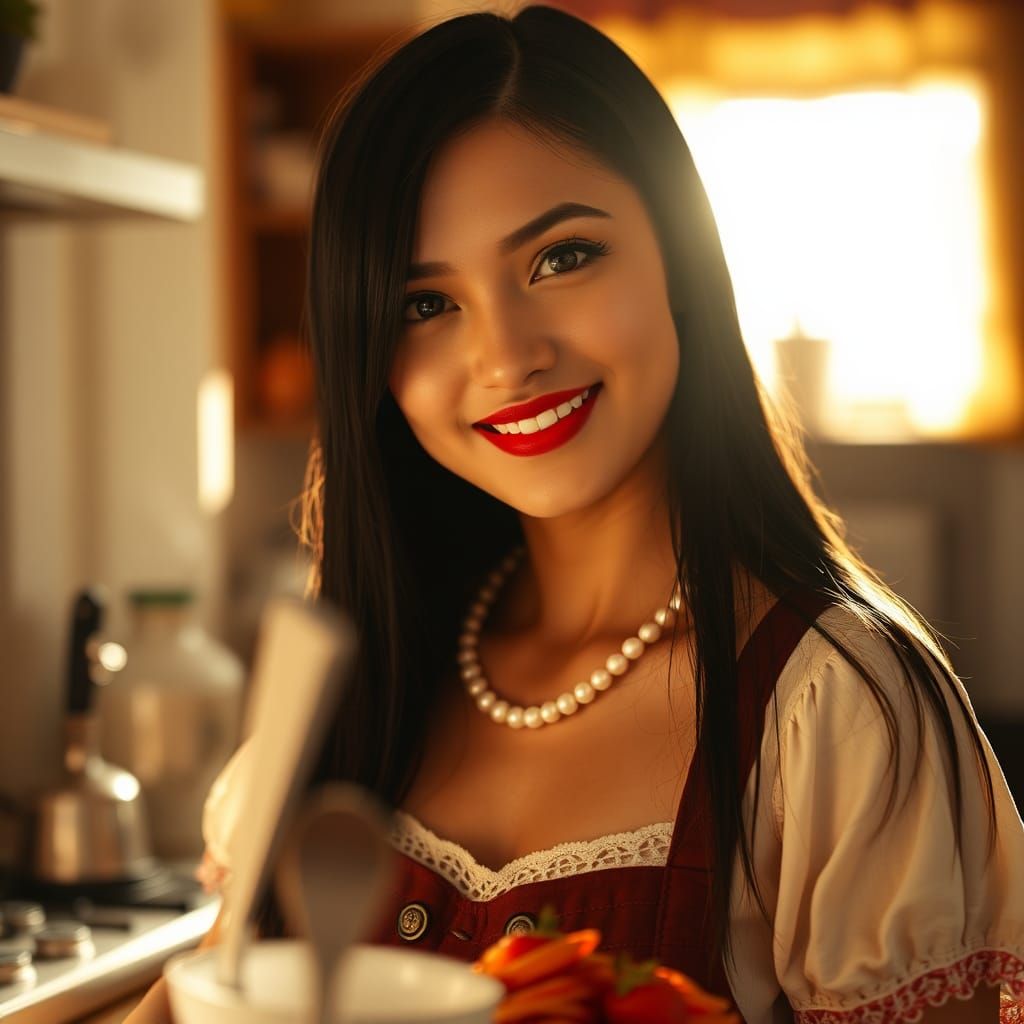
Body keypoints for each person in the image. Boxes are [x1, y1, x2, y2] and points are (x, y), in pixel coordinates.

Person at [126, 6, 1024, 1023]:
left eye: (561, 258)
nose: (506, 357)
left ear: (680, 263)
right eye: (426, 304)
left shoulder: (837, 707)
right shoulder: (356, 681)